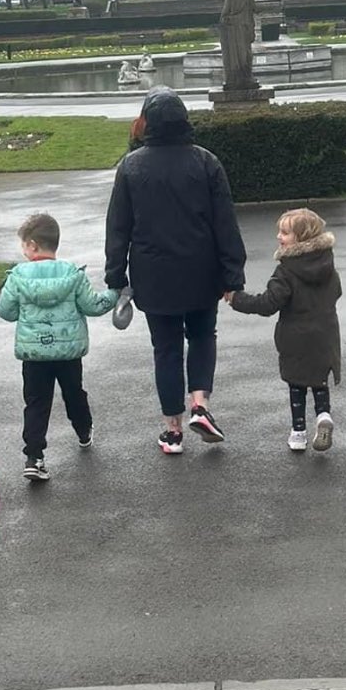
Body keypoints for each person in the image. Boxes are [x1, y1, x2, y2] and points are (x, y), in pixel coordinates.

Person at [105, 86, 246, 453]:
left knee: (165, 349)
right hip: (201, 269)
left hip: (154, 275)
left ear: (147, 122)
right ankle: (200, 402)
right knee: (202, 335)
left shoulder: (131, 166)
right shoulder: (206, 162)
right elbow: (225, 223)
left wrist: (116, 278)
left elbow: (118, 228)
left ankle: (173, 429)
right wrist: (232, 275)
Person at [0, 213, 116, 482]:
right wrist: (114, 294)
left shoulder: (18, 276)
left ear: (33, 245)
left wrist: (23, 313)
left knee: (37, 402)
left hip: (34, 354)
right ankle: (83, 429)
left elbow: (6, 311)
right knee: (74, 392)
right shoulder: (72, 274)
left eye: (24, 245)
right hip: (67, 352)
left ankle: (34, 456)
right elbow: (93, 306)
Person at [226, 209, 341, 453]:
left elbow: (268, 303)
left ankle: (298, 433)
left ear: (301, 237)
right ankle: (323, 415)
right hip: (325, 333)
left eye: (285, 233)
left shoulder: (287, 270)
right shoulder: (328, 265)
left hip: (295, 336)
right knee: (319, 380)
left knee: (296, 384)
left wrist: (237, 299)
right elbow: (336, 292)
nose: (279, 236)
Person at [219, 0, 257, 90]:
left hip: (245, 28)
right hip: (234, 31)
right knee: (236, 57)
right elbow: (224, 15)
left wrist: (252, 28)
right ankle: (235, 78)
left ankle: (247, 77)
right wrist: (231, 20)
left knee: (246, 55)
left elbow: (253, 10)